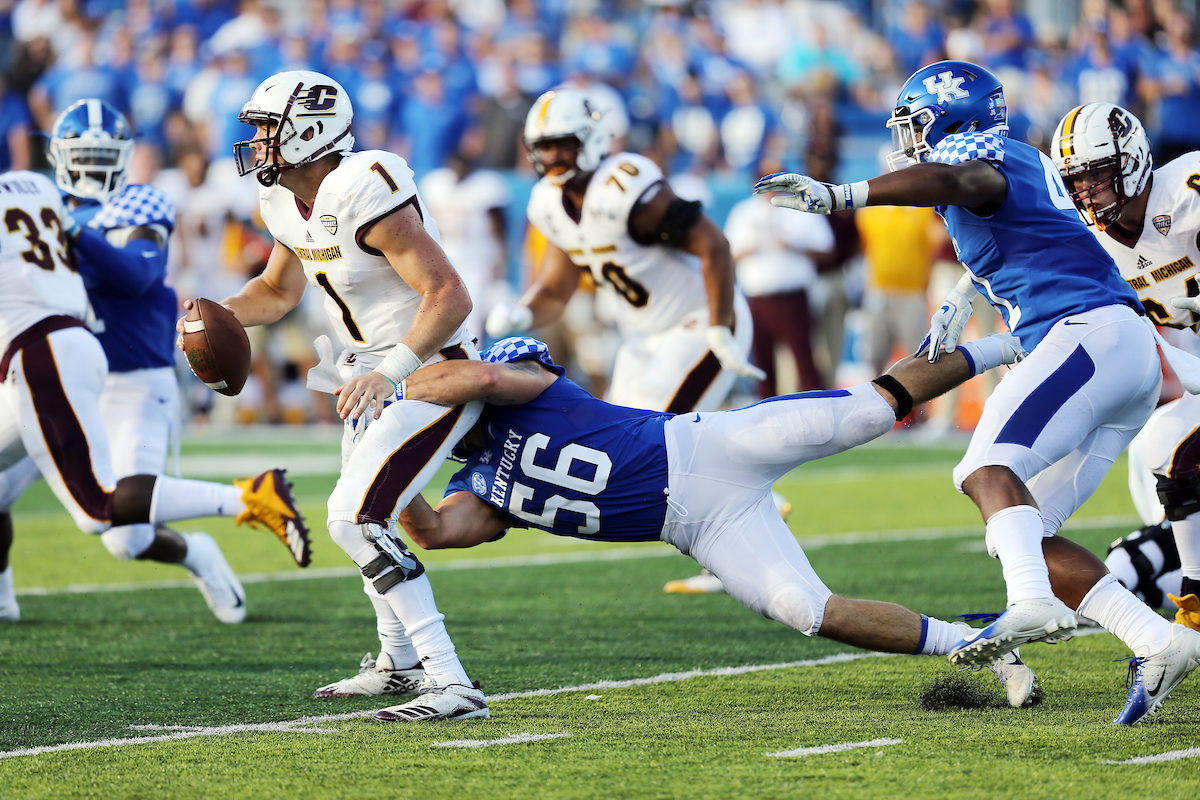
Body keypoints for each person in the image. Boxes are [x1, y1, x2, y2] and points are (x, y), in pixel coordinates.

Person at [754, 60, 1200, 725]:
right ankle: (1156, 640)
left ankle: (1031, 602)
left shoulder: (982, 168)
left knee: (985, 470)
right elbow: (1028, 244)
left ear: (953, 122)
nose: (910, 141)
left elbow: (963, 180)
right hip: (1111, 346)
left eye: (918, 126)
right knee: (1020, 530)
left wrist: (839, 195)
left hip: (1093, 335)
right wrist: (966, 298)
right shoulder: (1019, 164)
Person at [377, 334, 1036, 720]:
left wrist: (394, 389)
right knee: (808, 610)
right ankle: (978, 644)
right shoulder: (474, 485)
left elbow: (485, 374)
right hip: (699, 527)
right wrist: (387, 466)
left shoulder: (519, 382)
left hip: (708, 447)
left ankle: (1012, 341)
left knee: (867, 411)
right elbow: (432, 531)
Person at [206, 70, 486, 722]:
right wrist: (215, 315)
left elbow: (450, 295)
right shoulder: (281, 199)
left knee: (352, 519)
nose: (256, 142)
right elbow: (277, 291)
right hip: (365, 379)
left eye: (266, 130)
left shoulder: (366, 184)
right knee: (370, 519)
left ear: (309, 131)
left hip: (428, 369)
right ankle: (399, 662)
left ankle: (452, 681)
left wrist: (392, 371)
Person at [485, 87, 769, 597]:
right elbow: (556, 289)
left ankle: (739, 537)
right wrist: (523, 310)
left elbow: (713, 243)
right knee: (623, 443)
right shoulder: (549, 202)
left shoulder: (623, 186)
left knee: (660, 446)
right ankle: (754, 511)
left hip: (697, 322)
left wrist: (720, 326)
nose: (552, 156)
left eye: (563, 144)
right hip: (645, 338)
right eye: (543, 146)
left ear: (591, 140)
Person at [0, 169, 311, 624]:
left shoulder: (137, 203)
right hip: (64, 364)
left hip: (125, 377)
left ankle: (241, 506)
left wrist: (78, 234)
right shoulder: (42, 193)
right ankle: (3, 604)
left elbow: (137, 273)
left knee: (114, 527)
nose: (89, 154)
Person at [1050, 101, 1200, 632]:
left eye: (1094, 174)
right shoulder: (1090, 244)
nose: (1084, 191)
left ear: (1131, 161)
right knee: (1159, 452)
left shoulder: (1187, 189)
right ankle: (1192, 596)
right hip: (1193, 371)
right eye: (1074, 180)